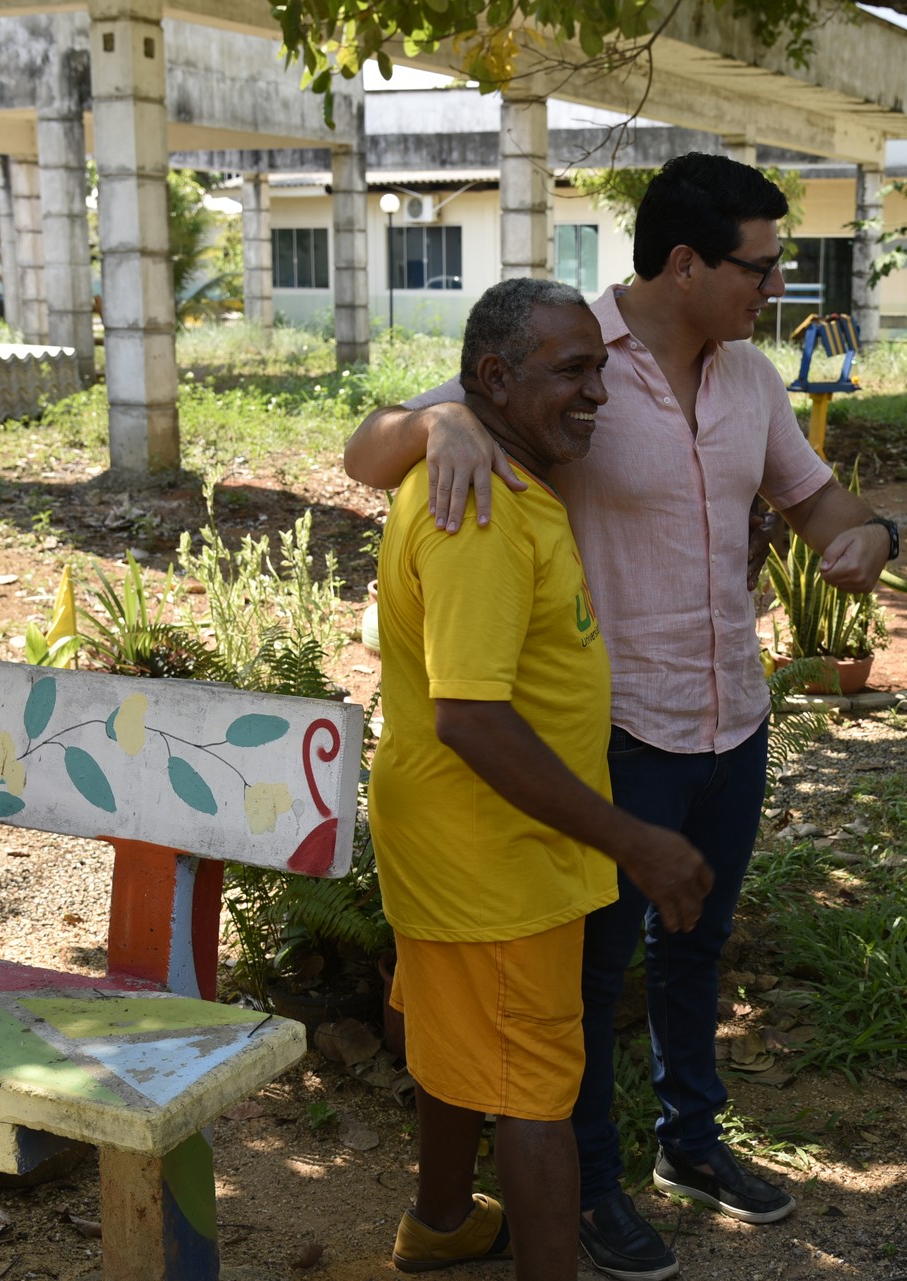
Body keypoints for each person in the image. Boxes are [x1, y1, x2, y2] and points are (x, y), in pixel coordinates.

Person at [346, 153, 899, 1281]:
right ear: (688, 263)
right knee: (581, 993)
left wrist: (867, 538)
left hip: (728, 715)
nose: (776, 287)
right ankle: (589, 1187)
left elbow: (816, 497)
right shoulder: (567, 350)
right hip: (615, 737)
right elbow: (372, 448)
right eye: (761, 265)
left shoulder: (747, 379)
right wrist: (436, 431)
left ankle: (690, 1146)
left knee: (696, 947)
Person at [370, 277, 715, 1278]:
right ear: (493, 379)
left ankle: (441, 1223)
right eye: (572, 370)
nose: (596, 392)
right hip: (493, 854)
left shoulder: (501, 479)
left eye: (600, 368)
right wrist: (635, 839)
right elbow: (472, 717)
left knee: (457, 1040)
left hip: (452, 836)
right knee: (535, 1096)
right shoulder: (479, 510)